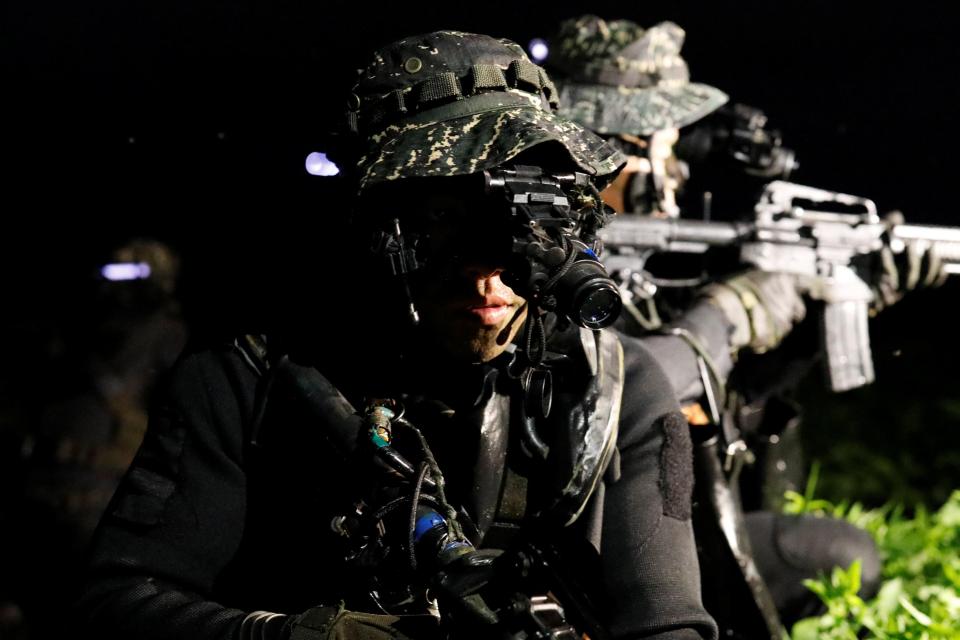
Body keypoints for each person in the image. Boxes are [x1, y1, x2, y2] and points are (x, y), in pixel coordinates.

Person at [77, 30, 718, 640]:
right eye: (445, 223)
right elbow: (117, 605)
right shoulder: (248, 378)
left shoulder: (616, 389)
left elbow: (667, 623)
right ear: (376, 224)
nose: (489, 275)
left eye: (522, 232)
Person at [545, 15, 888, 635]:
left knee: (843, 554)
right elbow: (620, 381)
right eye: (662, 144)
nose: (674, 170)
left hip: (691, 516)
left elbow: (735, 411)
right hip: (592, 543)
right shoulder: (547, 256)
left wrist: (838, 309)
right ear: (608, 145)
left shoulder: (652, 262)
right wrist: (732, 312)